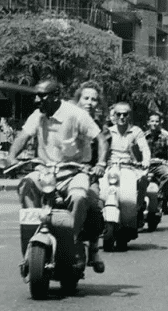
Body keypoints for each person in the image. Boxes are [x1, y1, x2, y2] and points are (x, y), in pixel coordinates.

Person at [6, 78, 105, 273]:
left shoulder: (76, 114)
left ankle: (73, 239)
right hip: (45, 171)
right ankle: (32, 238)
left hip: (73, 171)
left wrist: (100, 163)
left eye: (41, 96)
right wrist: (11, 157)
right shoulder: (38, 115)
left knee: (80, 196)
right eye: (36, 95)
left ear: (55, 96)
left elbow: (100, 139)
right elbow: (23, 137)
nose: (36, 100)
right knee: (26, 184)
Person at [145, 111, 168, 215]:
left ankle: (162, 200)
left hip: (160, 165)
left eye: (157, 121)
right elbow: (135, 149)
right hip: (144, 165)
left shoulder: (165, 136)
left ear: (160, 123)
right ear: (148, 123)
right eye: (152, 121)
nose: (154, 123)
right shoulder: (142, 136)